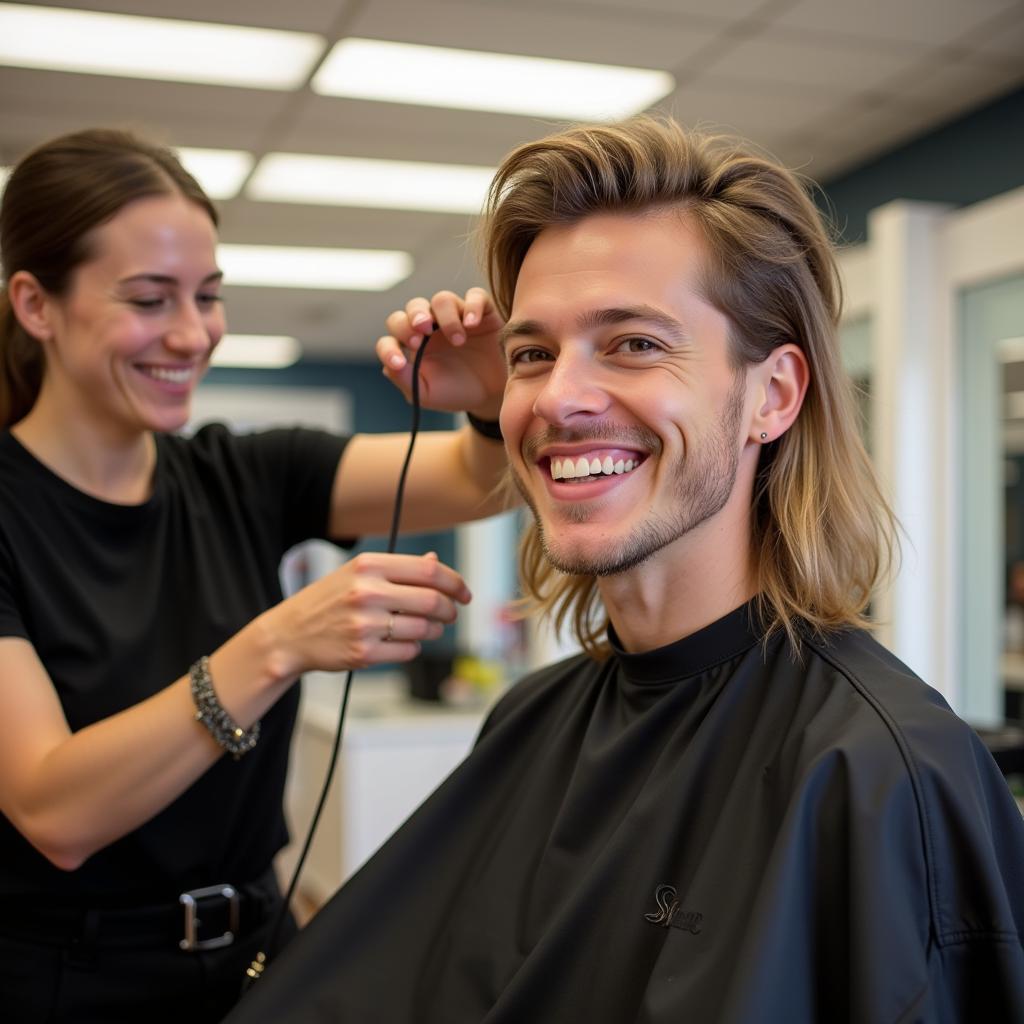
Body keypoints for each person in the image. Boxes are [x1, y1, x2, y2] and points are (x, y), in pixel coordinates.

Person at [227, 116, 1024, 1023]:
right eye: (531, 355)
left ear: (774, 395)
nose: (559, 398)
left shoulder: (883, 773)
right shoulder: (532, 716)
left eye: (635, 343)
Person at [0, 128, 510, 1023]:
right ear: (36, 304)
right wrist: (276, 644)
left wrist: (493, 402)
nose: (193, 334)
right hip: (68, 981)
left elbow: (478, 482)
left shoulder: (246, 475)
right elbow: (54, 810)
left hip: (259, 959)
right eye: (151, 300)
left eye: (208, 296)